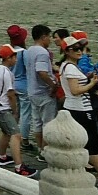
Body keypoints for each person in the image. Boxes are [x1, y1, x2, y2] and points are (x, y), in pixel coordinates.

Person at [59, 38, 98, 188]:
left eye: (80, 48)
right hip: (80, 109)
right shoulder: (70, 68)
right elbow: (75, 91)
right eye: (75, 49)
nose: (79, 51)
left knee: (76, 143)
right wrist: (92, 84)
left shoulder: (68, 66)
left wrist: (90, 85)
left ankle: (78, 171)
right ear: (67, 51)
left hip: (75, 108)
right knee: (92, 144)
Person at [0, 44, 37, 177]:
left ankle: (2, 156)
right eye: (14, 57)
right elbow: (11, 94)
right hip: (2, 108)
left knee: (6, 131)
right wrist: (14, 110)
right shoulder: (7, 73)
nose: (16, 59)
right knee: (16, 135)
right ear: (8, 58)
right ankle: (19, 167)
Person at [23, 25, 57, 157]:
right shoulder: (42, 52)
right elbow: (41, 72)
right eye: (49, 37)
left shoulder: (29, 51)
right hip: (43, 92)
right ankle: (45, 151)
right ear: (43, 37)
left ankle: (40, 149)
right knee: (48, 123)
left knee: (37, 122)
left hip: (32, 90)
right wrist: (52, 85)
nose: (50, 40)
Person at [6, 25, 34, 151]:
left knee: (14, 112)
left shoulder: (9, 51)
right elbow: (29, 69)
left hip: (12, 84)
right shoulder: (24, 53)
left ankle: (10, 136)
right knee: (25, 113)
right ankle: (24, 139)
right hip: (23, 84)